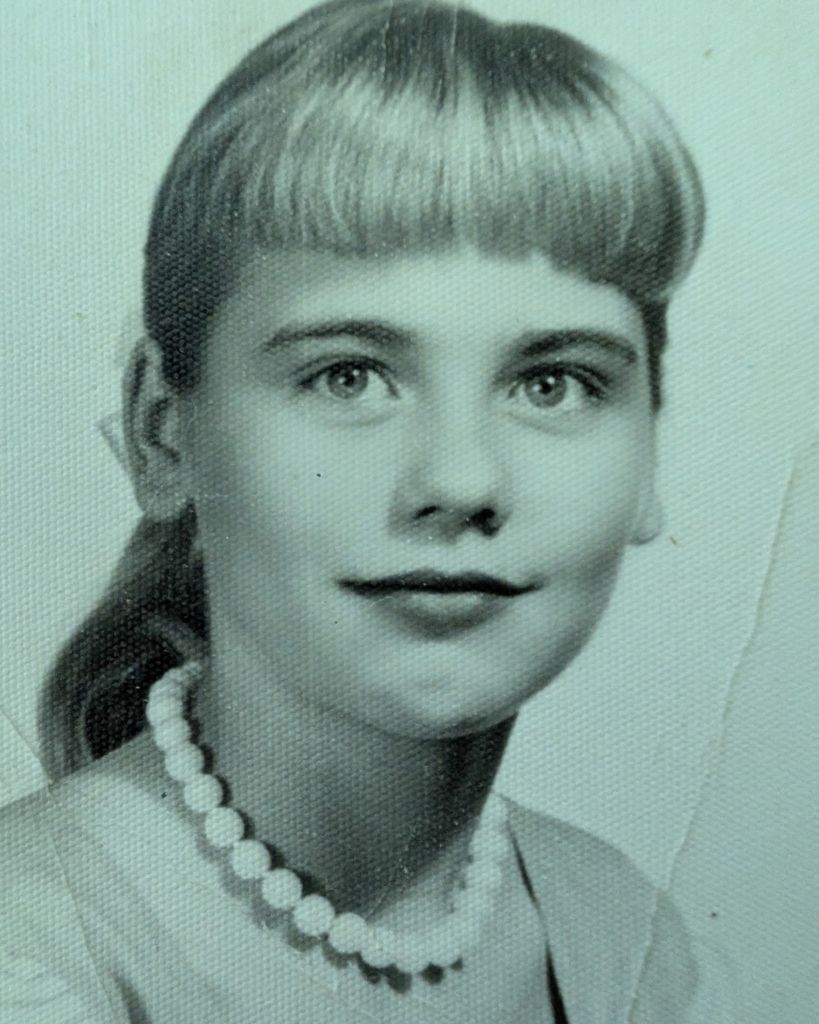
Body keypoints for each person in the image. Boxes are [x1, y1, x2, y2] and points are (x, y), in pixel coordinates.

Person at [0, 0, 734, 1019]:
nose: (461, 480)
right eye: (348, 375)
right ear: (164, 432)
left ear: (649, 450)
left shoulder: (630, 940)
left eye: (553, 382)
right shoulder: (32, 959)